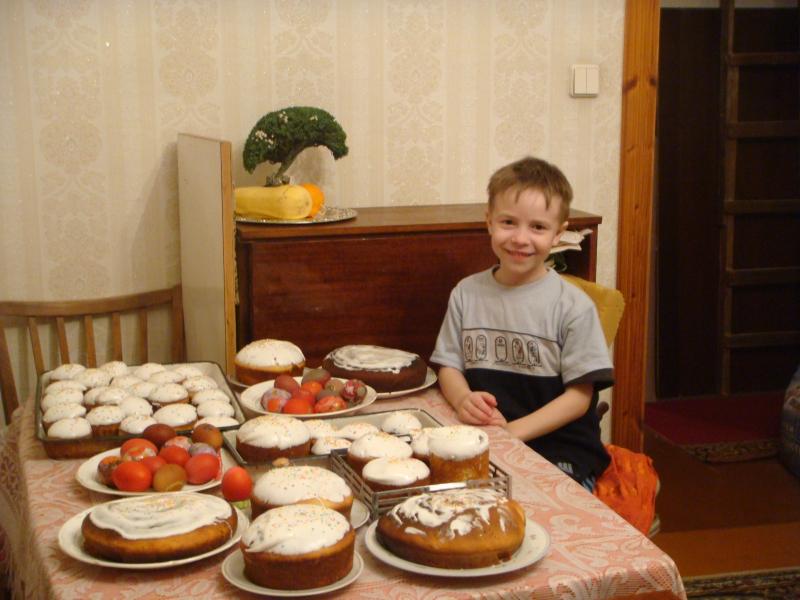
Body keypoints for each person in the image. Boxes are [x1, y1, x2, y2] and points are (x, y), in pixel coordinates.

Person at [430, 156, 613, 491]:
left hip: (559, 449)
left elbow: (579, 397)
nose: (520, 238)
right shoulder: (465, 293)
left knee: (534, 510)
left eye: (538, 227)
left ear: (559, 234)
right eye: (508, 222)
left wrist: (512, 433)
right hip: (485, 439)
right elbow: (449, 366)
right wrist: (462, 399)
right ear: (489, 222)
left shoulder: (573, 307)